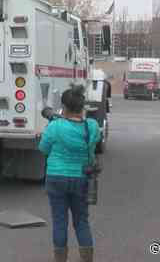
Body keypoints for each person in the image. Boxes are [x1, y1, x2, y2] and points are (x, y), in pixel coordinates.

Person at [39, 85, 100, 262]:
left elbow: (43, 148)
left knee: (59, 222)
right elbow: (93, 143)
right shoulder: (92, 127)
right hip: (81, 178)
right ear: (82, 107)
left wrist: (54, 123)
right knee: (81, 222)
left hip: (56, 178)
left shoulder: (55, 127)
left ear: (63, 107)